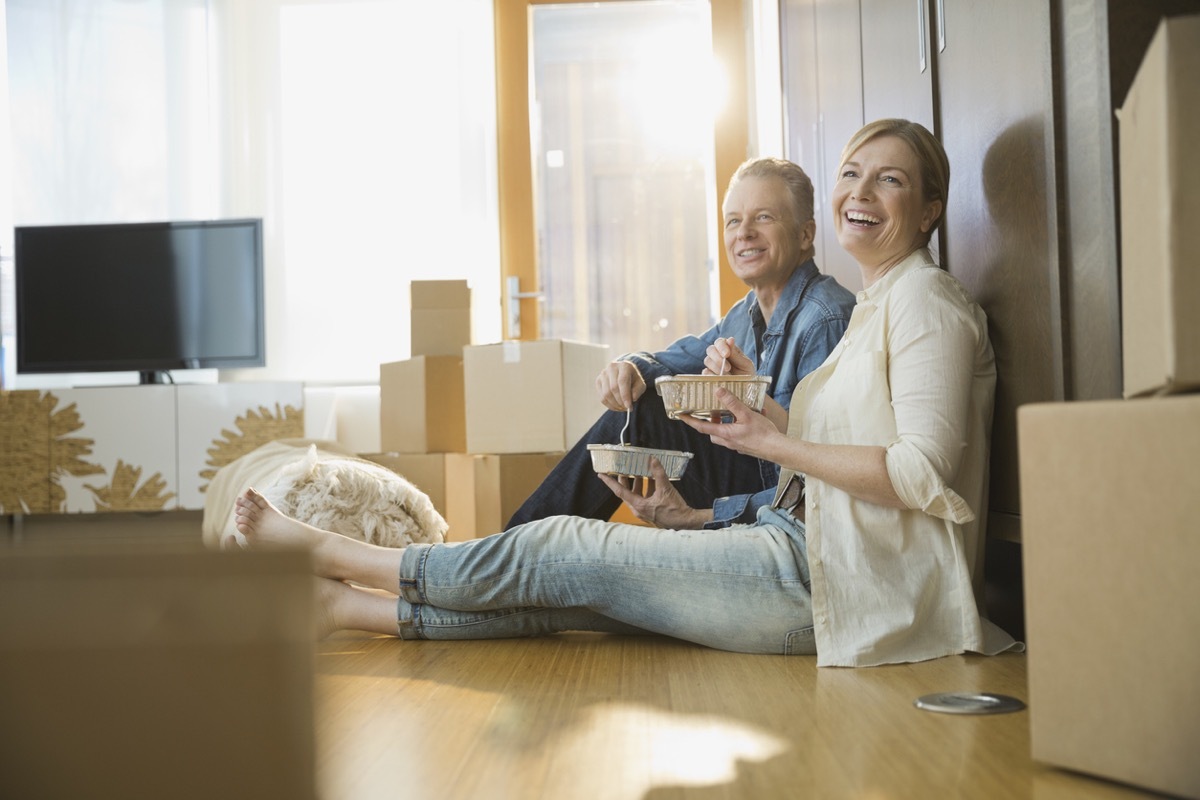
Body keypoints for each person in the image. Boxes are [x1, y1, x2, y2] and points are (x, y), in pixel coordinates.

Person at [232, 119, 1020, 667]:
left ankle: (345, 556)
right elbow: (817, 470)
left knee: (561, 550)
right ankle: (346, 608)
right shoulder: (880, 304)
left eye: (890, 180)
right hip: (812, 556)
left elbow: (921, 475)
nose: (863, 190)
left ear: (928, 210)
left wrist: (770, 440)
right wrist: (701, 496)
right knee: (583, 589)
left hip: (831, 585)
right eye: (853, 171)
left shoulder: (921, 303)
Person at [506, 157, 856, 531]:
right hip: (753, 477)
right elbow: (668, 364)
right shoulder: (744, 314)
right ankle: (519, 547)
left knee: (641, 411)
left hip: (782, 500)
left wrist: (700, 517)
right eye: (734, 221)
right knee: (640, 394)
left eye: (764, 217)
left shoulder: (826, 318)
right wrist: (630, 367)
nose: (745, 233)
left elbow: (821, 482)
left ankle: (513, 549)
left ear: (805, 234)